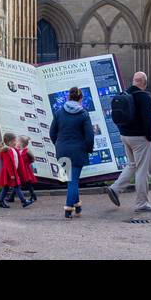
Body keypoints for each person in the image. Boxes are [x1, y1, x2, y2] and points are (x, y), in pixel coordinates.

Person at [106, 70, 151, 213]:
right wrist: (149, 137)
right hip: (140, 138)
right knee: (143, 170)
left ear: (134, 81)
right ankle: (142, 203)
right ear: (144, 83)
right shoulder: (143, 97)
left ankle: (115, 189)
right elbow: (149, 120)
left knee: (132, 165)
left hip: (125, 136)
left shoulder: (124, 94)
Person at [49, 86, 94, 218]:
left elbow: (52, 133)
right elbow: (90, 136)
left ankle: (77, 205)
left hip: (62, 149)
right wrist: (88, 149)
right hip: (78, 150)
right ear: (81, 98)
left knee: (71, 179)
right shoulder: (84, 114)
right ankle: (68, 208)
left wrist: (58, 145)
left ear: (68, 97)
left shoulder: (59, 113)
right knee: (73, 180)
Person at [0, 132, 30, 207]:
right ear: (9, 142)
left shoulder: (13, 149)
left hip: (12, 173)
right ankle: (24, 201)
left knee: (6, 187)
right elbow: (8, 164)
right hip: (10, 173)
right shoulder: (7, 151)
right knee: (17, 186)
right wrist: (12, 174)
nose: (16, 142)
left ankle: (0, 201)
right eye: (14, 141)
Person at [15, 135, 38, 204]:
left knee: (28, 183)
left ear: (21, 143)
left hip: (26, 169)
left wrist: (28, 163)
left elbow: (33, 159)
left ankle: (33, 195)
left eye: (17, 141)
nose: (16, 142)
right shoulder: (17, 150)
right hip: (19, 169)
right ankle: (11, 197)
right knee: (16, 183)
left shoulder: (27, 151)